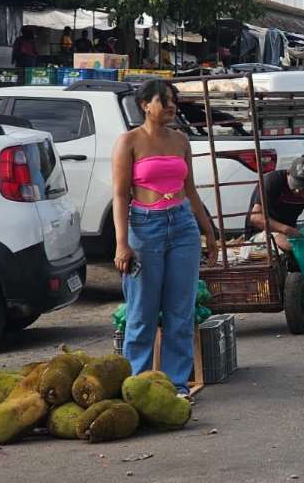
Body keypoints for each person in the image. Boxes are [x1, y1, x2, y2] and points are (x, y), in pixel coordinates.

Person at [111, 80, 218, 399]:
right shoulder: (128, 141)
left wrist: (208, 231)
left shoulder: (181, 140)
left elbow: (191, 191)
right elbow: (119, 196)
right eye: (165, 101)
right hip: (145, 227)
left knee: (180, 310)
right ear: (145, 104)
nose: (172, 106)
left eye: (174, 101)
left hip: (182, 225)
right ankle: (138, 384)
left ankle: (176, 385)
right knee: (142, 310)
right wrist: (121, 242)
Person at [244, 155, 304, 252]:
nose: (299, 191)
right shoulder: (272, 181)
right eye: (295, 186)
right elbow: (255, 218)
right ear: (288, 174)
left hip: (290, 230)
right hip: (262, 232)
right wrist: (286, 229)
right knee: (289, 244)